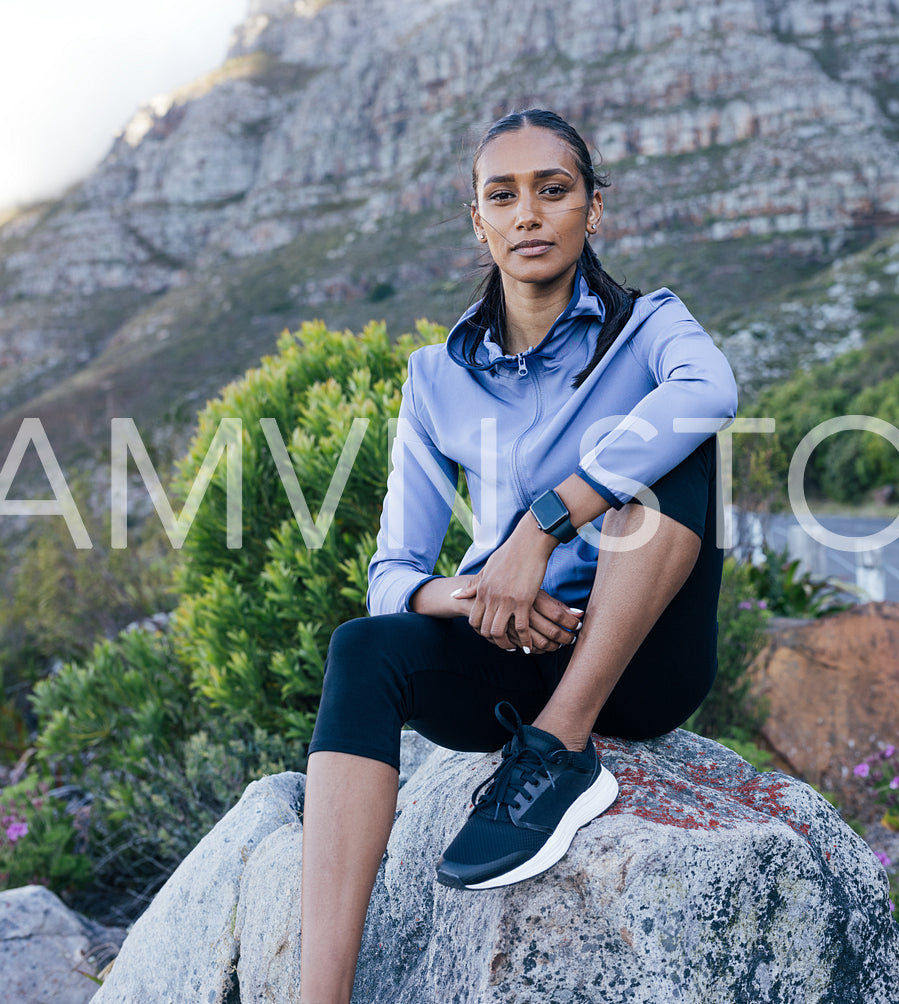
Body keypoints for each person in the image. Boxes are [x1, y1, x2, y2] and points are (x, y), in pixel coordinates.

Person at [298, 108, 738, 1004]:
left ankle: (560, 749)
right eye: (503, 195)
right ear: (478, 220)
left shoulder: (650, 330)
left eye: (553, 190)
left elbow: (713, 390)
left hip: (638, 663)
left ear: (592, 210)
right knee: (359, 648)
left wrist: (538, 531)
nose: (528, 214)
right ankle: (321, 994)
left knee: (679, 441)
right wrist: (482, 596)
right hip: (509, 655)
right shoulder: (435, 377)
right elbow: (392, 574)